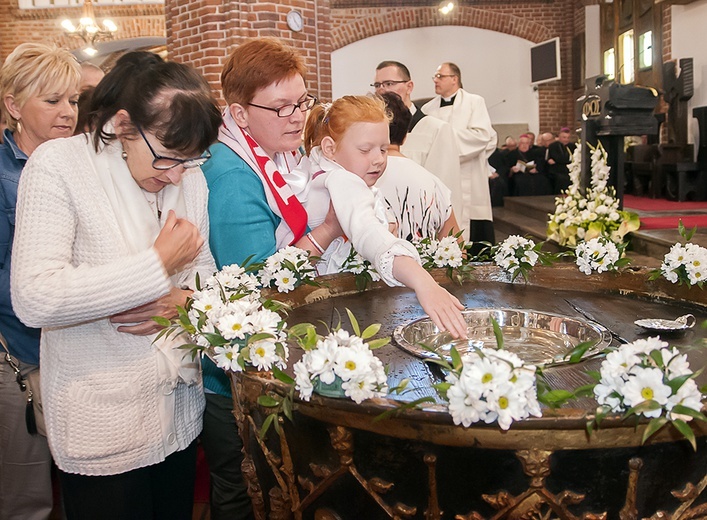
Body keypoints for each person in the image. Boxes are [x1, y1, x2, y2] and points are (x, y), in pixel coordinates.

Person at [11, 51, 221, 520]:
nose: (175, 175)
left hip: (178, 410)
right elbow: (35, 296)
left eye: (190, 160)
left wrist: (188, 300)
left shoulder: (190, 176)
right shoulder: (60, 165)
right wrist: (156, 265)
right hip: (102, 420)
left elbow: (205, 273)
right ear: (124, 125)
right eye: (167, 156)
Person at [201, 38, 344, 520]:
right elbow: (255, 282)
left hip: (265, 359)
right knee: (248, 493)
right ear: (240, 114)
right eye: (280, 107)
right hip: (235, 381)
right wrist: (328, 231)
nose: (296, 117)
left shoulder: (272, 155)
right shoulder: (234, 175)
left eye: (301, 102)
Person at [295, 94, 467, 337]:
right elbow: (368, 233)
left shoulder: (318, 166)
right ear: (330, 148)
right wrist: (424, 283)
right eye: (365, 150)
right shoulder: (344, 180)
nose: (378, 159)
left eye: (384, 149)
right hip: (327, 314)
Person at [0, 42, 81, 520]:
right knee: (26, 498)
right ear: (14, 105)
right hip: (20, 353)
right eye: (52, 101)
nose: (67, 112)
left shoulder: (83, 167)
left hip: (80, 352)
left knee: (86, 486)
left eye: (72, 100)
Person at [372, 61, 463, 234]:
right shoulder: (370, 132)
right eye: (378, 85)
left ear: (409, 86)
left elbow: (446, 194)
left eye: (389, 83)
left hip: (424, 236)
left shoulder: (436, 129)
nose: (382, 90)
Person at [422, 62, 497, 253]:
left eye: (440, 76)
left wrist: (445, 144)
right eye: (435, 77)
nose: (435, 80)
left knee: (472, 225)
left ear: (454, 79)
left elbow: (482, 135)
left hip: (469, 174)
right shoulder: (427, 109)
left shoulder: (474, 102)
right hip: (439, 174)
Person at [547, 127, 576, 193]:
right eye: (564, 137)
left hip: (569, 169)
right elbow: (557, 157)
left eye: (568, 137)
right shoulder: (553, 146)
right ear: (559, 137)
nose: (566, 140)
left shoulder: (573, 146)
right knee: (561, 179)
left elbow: (572, 158)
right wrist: (565, 160)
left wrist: (559, 161)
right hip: (557, 170)